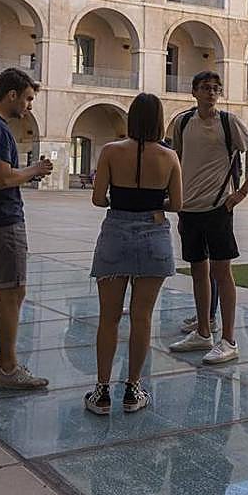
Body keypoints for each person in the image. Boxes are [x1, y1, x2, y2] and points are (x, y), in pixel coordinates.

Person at [86, 92, 181, 414]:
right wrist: (152, 204)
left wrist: (123, 202)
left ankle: (101, 392)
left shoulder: (111, 151)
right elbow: (178, 204)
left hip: (115, 232)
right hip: (154, 235)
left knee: (108, 318)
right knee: (142, 318)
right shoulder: (169, 157)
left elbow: (98, 200)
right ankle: (132, 389)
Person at [169, 70, 248, 365]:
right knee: (198, 271)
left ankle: (229, 340)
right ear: (194, 92)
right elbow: (175, 161)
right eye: (205, 88)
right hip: (189, 208)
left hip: (218, 208)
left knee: (222, 273)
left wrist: (241, 194)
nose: (211, 92)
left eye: (215, 88)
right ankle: (203, 331)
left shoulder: (229, 122)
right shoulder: (182, 122)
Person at [0, 68, 54, 389]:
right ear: (12, 94)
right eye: (28, 98)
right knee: (13, 293)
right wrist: (35, 169)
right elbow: (2, 178)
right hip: (2, 222)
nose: (29, 106)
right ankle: (8, 369)